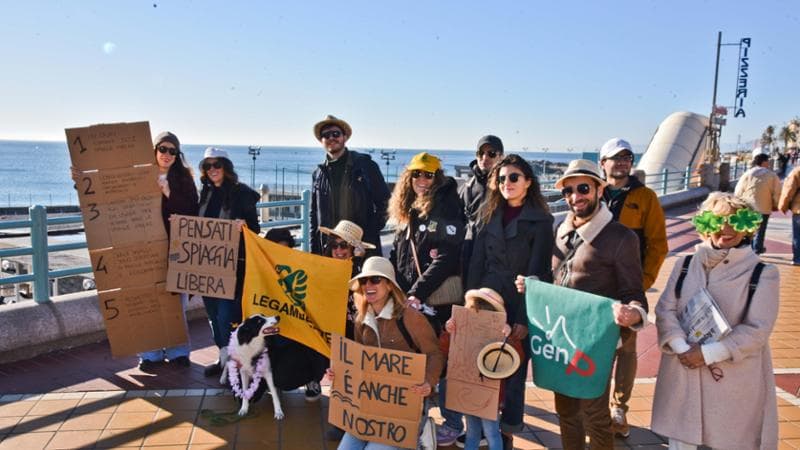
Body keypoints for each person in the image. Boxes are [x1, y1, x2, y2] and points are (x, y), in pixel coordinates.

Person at [517, 159, 647, 450]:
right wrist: (533, 285)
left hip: (595, 342)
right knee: (566, 411)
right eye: (569, 191)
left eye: (584, 188)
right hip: (561, 338)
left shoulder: (621, 237)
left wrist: (632, 314)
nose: (576, 197)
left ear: (600, 189)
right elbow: (552, 279)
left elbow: (634, 292)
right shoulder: (559, 232)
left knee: (594, 414)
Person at [651, 192, 779, 449]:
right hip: (683, 372)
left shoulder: (763, 273)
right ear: (704, 225)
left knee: (730, 440)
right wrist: (683, 349)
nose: (726, 229)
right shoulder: (685, 264)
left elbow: (757, 329)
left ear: (749, 226)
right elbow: (665, 310)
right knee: (681, 441)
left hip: (732, 379)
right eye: (717, 221)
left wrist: (708, 353)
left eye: (735, 221)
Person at [466, 154, 554, 449]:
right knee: (482, 366)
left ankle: (507, 431)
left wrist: (523, 320)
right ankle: (480, 426)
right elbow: (476, 262)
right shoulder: (487, 213)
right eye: (501, 178)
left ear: (528, 182)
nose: (507, 183)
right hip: (487, 300)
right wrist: (470, 302)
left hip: (519, 302)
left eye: (514, 177)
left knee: (513, 372)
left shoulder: (541, 221)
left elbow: (540, 272)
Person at [329, 256, 445, 450]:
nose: (368, 285)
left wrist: (428, 382)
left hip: (404, 407)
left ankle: (420, 431)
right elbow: (358, 363)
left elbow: (435, 354)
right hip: (369, 406)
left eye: (375, 279)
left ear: (390, 285)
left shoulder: (410, 318)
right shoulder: (360, 321)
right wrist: (339, 373)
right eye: (364, 281)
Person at [598, 138, 667, 437]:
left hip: (628, 287)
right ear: (603, 163)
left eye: (627, 157)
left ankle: (619, 408)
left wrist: (643, 283)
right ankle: (595, 405)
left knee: (626, 349)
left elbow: (658, 244)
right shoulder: (591, 192)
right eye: (616, 158)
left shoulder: (646, 197)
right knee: (597, 347)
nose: (623, 162)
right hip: (595, 286)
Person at [197, 147, 261, 379]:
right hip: (205, 266)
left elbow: (255, 230)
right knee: (213, 314)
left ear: (226, 166)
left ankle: (233, 359)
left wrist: (243, 226)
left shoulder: (241, 193)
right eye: (208, 166)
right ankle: (223, 357)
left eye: (217, 165)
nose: (213, 169)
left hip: (232, 267)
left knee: (226, 315)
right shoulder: (204, 193)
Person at [137, 131, 199, 372]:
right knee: (149, 303)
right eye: (163, 149)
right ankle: (149, 354)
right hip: (147, 248)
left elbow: (192, 210)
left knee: (176, 303)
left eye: (173, 151)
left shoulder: (184, 179)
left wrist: (169, 194)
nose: (167, 154)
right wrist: (80, 179)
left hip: (176, 247)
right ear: (154, 150)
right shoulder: (140, 175)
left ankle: (178, 352)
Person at [388, 152, 465, 332]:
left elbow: (448, 256)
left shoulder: (447, 206)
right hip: (408, 299)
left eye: (428, 175)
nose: (421, 179)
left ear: (437, 177)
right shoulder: (409, 206)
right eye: (416, 174)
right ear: (409, 177)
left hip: (432, 301)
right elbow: (397, 252)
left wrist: (417, 293)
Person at [442, 288, 518, 450]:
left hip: (489, 391)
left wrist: (508, 336)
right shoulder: (463, 327)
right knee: (474, 431)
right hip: (469, 387)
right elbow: (445, 348)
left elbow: (516, 357)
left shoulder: (501, 330)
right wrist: (450, 331)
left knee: (490, 432)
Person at [310, 115, 390, 256]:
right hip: (331, 250)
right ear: (321, 140)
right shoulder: (318, 174)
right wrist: (314, 251)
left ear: (345, 137)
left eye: (336, 134)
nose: (331, 138)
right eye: (326, 135)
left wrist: (366, 236)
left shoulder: (365, 166)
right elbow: (314, 217)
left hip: (361, 249)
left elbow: (386, 204)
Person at [459, 135, 505, 285]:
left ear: (501, 156)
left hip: (496, 261)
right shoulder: (468, 187)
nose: (485, 157)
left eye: (491, 153)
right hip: (468, 256)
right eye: (481, 153)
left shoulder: (506, 185)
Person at [734, 152, 781, 254]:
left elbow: (738, 191)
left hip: (749, 206)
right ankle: (757, 249)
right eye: (767, 161)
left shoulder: (747, 174)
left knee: (749, 229)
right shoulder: (772, 175)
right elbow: (777, 192)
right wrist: (776, 204)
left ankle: (748, 249)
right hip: (764, 207)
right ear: (764, 162)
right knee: (761, 229)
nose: (768, 163)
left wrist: (738, 204)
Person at [779, 164, 800, 266]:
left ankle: (798, 259)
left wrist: (783, 206)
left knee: (798, 236)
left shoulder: (797, 171)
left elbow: (788, 190)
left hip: (799, 210)